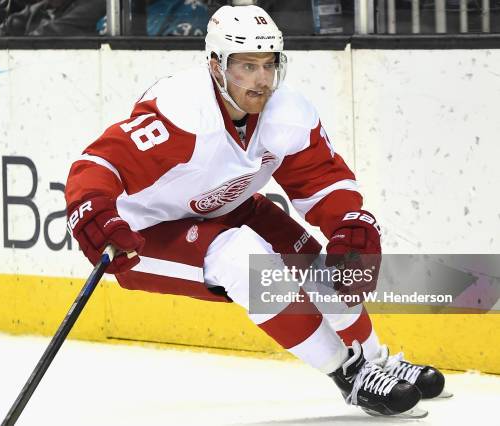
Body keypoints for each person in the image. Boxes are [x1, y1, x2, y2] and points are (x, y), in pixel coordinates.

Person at [65, 4, 447, 417]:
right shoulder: (181, 111)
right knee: (240, 254)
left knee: (319, 263)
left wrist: (348, 221)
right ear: (215, 65)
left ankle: (376, 361)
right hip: (144, 235)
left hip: (225, 207)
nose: (261, 79)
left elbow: (322, 181)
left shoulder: (288, 113)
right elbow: (98, 165)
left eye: (268, 65)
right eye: (246, 65)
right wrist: (91, 210)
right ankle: (349, 374)